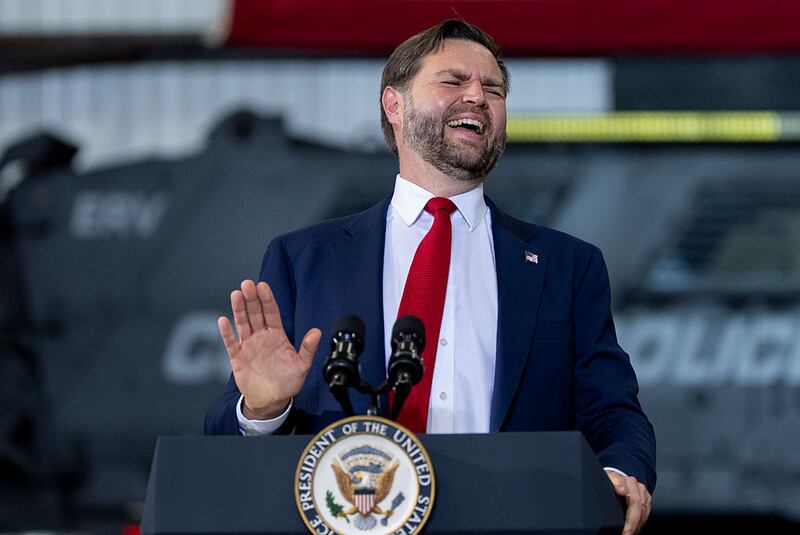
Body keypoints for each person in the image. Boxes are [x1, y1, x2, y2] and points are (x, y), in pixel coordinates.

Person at [205, 19, 656, 535]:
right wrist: (264, 408)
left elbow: (615, 411)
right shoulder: (304, 259)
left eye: (493, 89)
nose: (478, 98)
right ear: (394, 105)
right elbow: (225, 439)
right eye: (453, 82)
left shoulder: (567, 266)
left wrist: (619, 474)